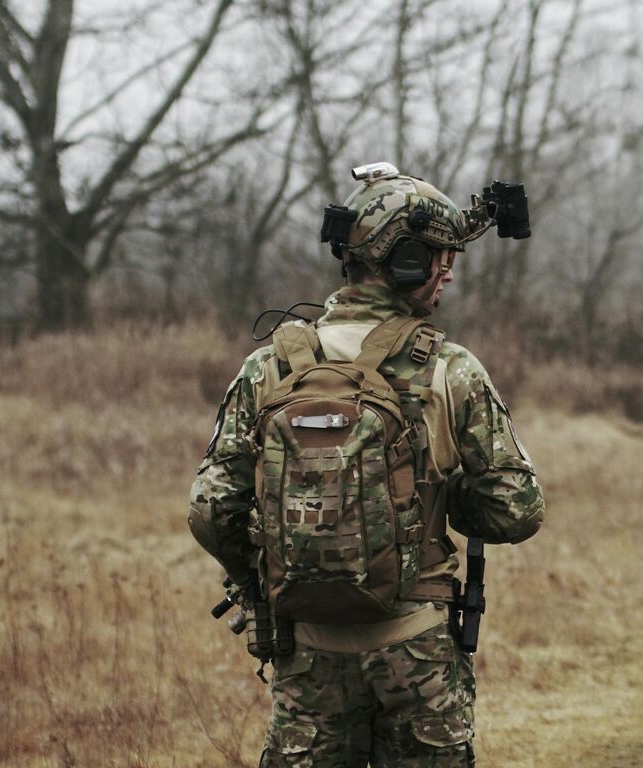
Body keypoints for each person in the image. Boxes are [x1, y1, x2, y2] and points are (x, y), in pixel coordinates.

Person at [188, 166, 545, 767]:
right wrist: (440, 494)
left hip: (307, 653)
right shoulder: (448, 368)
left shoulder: (270, 367)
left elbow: (211, 508)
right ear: (404, 260)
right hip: (418, 654)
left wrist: (262, 579)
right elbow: (517, 510)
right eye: (437, 255)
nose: (447, 270)